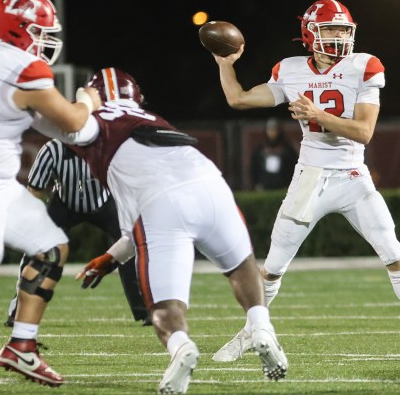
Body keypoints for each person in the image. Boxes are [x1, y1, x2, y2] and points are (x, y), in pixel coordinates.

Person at [210, 0, 400, 362]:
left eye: (343, 30)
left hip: (352, 175)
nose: (339, 36)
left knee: (394, 254)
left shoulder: (365, 66)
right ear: (310, 33)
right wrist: (225, 65)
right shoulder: (290, 69)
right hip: (310, 175)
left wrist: (317, 114)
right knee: (272, 267)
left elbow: (364, 132)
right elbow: (238, 100)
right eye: (331, 29)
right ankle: (251, 333)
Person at [51, 67, 288, 394]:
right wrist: (111, 256)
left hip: (160, 205)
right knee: (240, 266)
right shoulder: (149, 118)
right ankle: (261, 327)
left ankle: (181, 347)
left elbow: (61, 119)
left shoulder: (94, 120)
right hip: (213, 187)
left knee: (164, 306)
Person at [0, 0, 101, 387]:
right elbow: (74, 124)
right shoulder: (22, 66)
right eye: (38, 31)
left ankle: (22, 346)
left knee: (50, 245)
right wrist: (88, 101)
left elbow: (24, 112)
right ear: (17, 28)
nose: (44, 41)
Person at [4, 139, 149, 328]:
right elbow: (34, 190)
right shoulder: (52, 150)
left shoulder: (108, 146)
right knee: (37, 248)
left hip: (103, 201)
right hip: (64, 204)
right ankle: (18, 311)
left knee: (132, 242)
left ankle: (145, 310)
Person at [250, 118, 298, 190]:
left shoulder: (288, 150)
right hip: (264, 188)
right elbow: (254, 169)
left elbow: (293, 167)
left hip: (283, 187)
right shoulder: (260, 150)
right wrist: (257, 184)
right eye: (270, 129)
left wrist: (289, 184)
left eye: (274, 129)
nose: (272, 132)